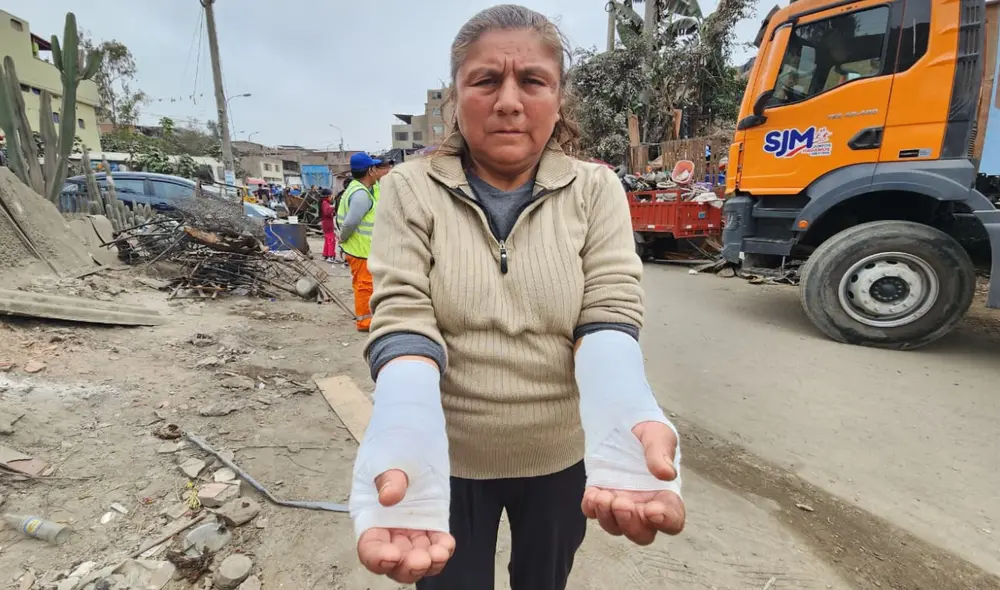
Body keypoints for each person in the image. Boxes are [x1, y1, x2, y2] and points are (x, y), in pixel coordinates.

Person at [350, 5, 685, 590]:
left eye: (532, 80)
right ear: (457, 98)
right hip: (446, 463)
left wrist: (630, 413)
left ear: (559, 98)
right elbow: (402, 313)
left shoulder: (596, 188)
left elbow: (609, 310)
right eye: (485, 80)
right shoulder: (409, 188)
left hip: (560, 457)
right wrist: (401, 431)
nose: (509, 100)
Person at [336, 152, 382, 331]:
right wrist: (343, 239)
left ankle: (367, 318)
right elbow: (350, 223)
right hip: (360, 249)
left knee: (363, 284)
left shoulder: (360, 189)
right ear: (370, 170)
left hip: (362, 249)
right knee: (364, 286)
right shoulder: (361, 195)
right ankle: (365, 321)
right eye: (375, 167)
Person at [319, 188, 337, 262]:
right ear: (327, 196)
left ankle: (325, 255)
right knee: (331, 240)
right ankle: (331, 256)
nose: (331, 197)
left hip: (325, 223)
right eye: (330, 196)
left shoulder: (323, 202)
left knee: (327, 240)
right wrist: (333, 208)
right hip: (328, 223)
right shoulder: (325, 203)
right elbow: (327, 212)